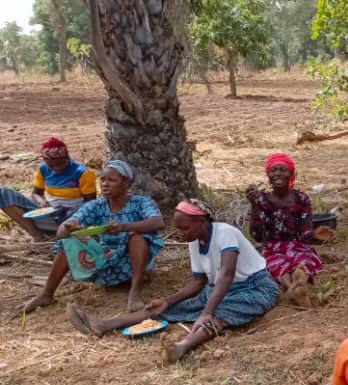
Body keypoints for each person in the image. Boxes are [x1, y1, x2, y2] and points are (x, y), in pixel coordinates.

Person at [65, 200, 280, 364]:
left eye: (185, 228)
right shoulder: (195, 241)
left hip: (255, 287)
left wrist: (206, 312)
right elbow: (198, 282)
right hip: (217, 289)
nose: (181, 234)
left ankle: (183, 346)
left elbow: (227, 273)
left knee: (218, 312)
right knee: (170, 308)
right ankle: (104, 324)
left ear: (202, 222)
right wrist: (168, 301)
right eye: (179, 229)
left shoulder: (226, 233)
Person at [19, 160, 164, 314]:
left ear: (125, 183)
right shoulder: (96, 206)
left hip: (135, 264)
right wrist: (69, 229)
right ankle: (46, 294)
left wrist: (124, 228)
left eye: (111, 180)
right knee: (69, 241)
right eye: (103, 179)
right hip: (106, 260)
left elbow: (158, 222)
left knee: (137, 238)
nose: (105, 184)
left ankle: (135, 292)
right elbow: (61, 232)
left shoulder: (140, 202)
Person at [246, 153, 333, 308]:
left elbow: (304, 234)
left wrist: (315, 235)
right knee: (276, 263)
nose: (278, 173)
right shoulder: (261, 200)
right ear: (268, 176)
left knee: (305, 258)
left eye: (283, 170)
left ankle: (297, 283)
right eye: (274, 170)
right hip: (272, 248)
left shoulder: (301, 199)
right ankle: (295, 287)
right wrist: (254, 206)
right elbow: (258, 236)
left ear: (292, 175)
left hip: (297, 245)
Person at [0, 138, 97, 241]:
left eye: (60, 164)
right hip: (49, 214)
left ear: (67, 157)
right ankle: (37, 236)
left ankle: (61, 234)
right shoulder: (43, 169)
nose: (56, 168)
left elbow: (90, 203)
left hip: (72, 216)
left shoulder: (82, 173)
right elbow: (36, 193)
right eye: (51, 166)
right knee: (4, 194)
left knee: (81, 212)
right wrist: (42, 202)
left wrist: (67, 208)